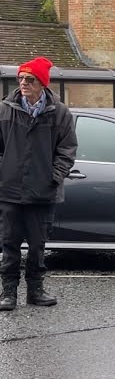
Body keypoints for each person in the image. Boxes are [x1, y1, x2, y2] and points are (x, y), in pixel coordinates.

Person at [0, 56, 77, 311]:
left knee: (37, 245)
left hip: (43, 192)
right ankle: (8, 292)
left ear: (42, 83)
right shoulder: (5, 109)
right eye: (20, 78)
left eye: (29, 79)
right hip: (9, 190)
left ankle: (35, 290)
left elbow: (67, 149)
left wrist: (54, 177)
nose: (23, 83)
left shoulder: (60, 113)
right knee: (9, 244)